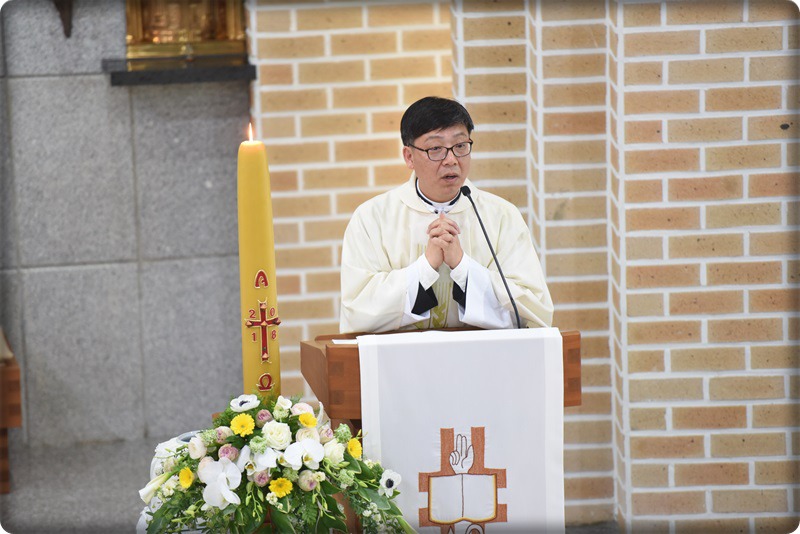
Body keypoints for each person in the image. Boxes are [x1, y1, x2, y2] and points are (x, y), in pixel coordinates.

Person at [339, 96, 553, 334]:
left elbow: (532, 311)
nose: (451, 160)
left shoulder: (501, 216)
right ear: (409, 156)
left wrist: (463, 266)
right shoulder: (372, 218)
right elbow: (358, 311)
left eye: (460, 146)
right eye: (436, 149)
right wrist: (425, 268)